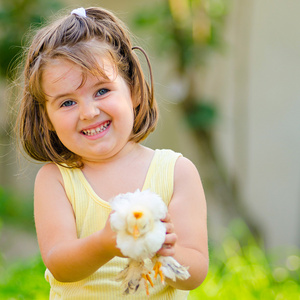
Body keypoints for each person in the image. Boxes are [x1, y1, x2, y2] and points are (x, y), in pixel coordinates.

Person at [16, 6, 208, 299]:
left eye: (102, 91)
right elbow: (59, 263)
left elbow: (194, 272)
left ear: (133, 90)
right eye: (67, 103)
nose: (89, 112)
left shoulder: (176, 172)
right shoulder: (56, 180)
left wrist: (165, 249)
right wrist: (105, 243)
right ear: (48, 119)